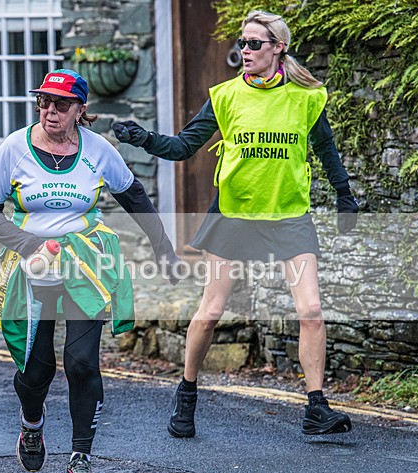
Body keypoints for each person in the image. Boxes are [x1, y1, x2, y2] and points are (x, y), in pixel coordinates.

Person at [113, 10, 359, 438]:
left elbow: (326, 150)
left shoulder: (305, 98)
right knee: (210, 313)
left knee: (312, 311)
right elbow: (183, 146)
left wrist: (344, 195)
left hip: (288, 216)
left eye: (254, 44)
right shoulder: (226, 96)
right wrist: (144, 138)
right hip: (233, 213)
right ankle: (187, 392)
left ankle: (317, 407)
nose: (244, 51)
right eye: (242, 44)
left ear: (278, 48)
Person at [0, 69, 179, 473]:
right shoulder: (15, 147)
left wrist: (163, 247)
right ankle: (32, 423)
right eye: (45, 101)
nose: (50, 110)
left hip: (86, 262)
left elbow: (133, 195)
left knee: (82, 362)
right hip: (33, 266)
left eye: (61, 104)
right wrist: (27, 243)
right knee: (36, 370)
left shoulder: (98, 150)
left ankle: (80, 459)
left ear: (80, 110)